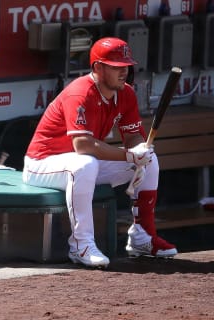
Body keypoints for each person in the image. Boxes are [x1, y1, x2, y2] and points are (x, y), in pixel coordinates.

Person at [22, 37, 177, 268]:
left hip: (78, 162)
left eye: (126, 66)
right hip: (42, 164)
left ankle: (142, 237)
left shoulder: (125, 94)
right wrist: (128, 155)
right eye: (116, 67)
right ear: (98, 67)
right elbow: (83, 145)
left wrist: (138, 149)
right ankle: (81, 245)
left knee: (149, 160)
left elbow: (132, 135)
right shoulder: (80, 93)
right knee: (85, 164)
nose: (124, 72)